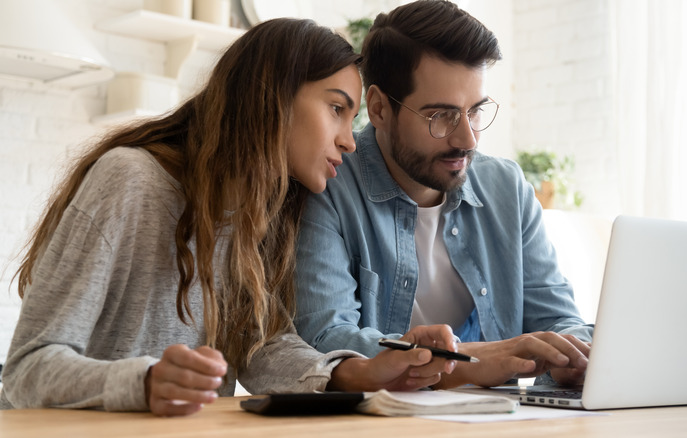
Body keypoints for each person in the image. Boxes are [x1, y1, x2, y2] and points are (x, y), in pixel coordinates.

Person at [0, 18, 459, 417]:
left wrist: (360, 373)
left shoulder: (262, 215)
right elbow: (28, 367)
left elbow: (261, 348)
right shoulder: (130, 180)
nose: (349, 141)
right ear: (271, 97)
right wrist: (143, 383)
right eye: (336, 108)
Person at [294, 0, 593, 389]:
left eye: (476, 111)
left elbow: (558, 318)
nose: (467, 139)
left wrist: (575, 355)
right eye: (442, 116)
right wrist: (466, 362)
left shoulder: (507, 188)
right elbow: (325, 338)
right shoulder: (326, 185)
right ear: (381, 109)